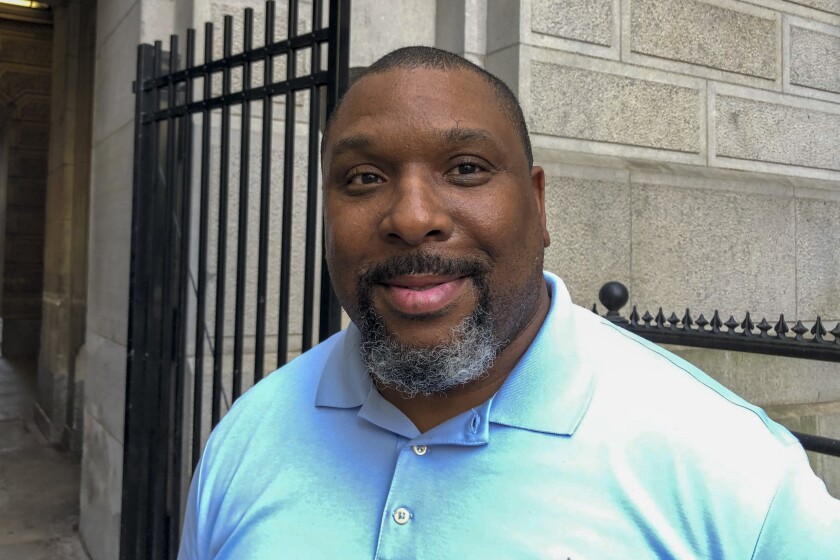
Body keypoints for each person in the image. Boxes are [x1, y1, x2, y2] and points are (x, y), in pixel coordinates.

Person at [178, 46, 840, 559]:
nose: (412, 217)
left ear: (539, 204)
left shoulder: (735, 472)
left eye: (466, 168)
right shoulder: (246, 437)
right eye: (364, 178)